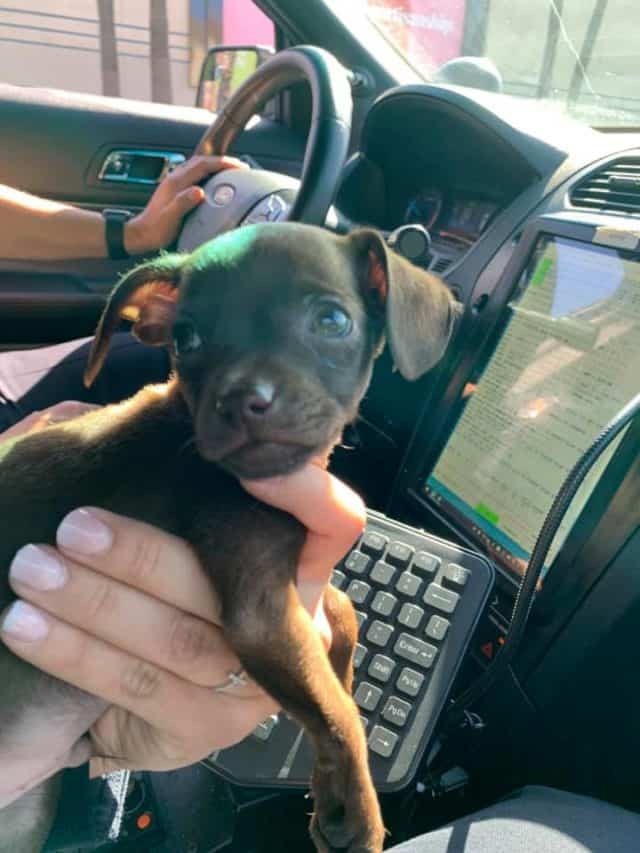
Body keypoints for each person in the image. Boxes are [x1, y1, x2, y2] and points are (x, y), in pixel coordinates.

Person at [2, 164, 639, 852]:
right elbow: (255, 613)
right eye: (194, 338)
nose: (252, 387)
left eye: (326, 319)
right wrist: (345, 755)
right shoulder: (198, 470)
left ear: (383, 309)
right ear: (152, 318)